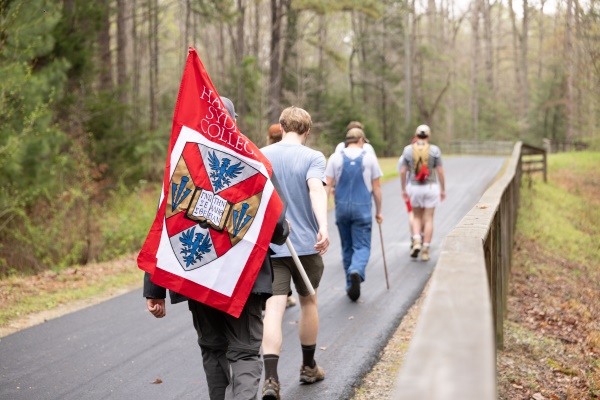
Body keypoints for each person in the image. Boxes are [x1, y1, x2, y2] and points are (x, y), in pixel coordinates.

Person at [144, 97, 290, 400]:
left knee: (213, 349)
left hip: (200, 277)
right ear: (233, 123)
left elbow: (164, 224)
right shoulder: (255, 164)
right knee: (246, 352)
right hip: (243, 281)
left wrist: (154, 289)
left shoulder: (185, 160)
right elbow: (277, 230)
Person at [260, 106, 330, 400]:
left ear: (281, 126)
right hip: (305, 246)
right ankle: (308, 366)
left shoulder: (261, 155)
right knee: (309, 302)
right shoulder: (313, 157)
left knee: (273, 310)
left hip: (272, 246)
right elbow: (316, 189)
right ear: (307, 130)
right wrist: (323, 226)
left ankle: (271, 380)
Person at [326, 128, 383, 301]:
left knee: (347, 246)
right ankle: (356, 270)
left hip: (341, 209)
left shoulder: (335, 157)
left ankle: (350, 285)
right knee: (362, 246)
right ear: (360, 140)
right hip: (362, 209)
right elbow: (377, 188)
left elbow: (327, 186)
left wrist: (323, 209)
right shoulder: (370, 157)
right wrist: (379, 211)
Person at [398, 124, 446, 262]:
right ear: (429, 136)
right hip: (431, 187)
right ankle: (425, 249)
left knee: (417, 216)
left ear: (416, 135)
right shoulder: (435, 150)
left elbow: (403, 171)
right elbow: (440, 171)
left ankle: (417, 240)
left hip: (414, 187)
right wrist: (442, 189)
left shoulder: (408, 150)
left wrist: (403, 189)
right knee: (429, 218)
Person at [266, 123, 298, 310]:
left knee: (273, 259)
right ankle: (284, 294)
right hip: (289, 214)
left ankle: (274, 294)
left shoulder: (262, 155)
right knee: (289, 257)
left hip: (271, 215)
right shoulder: (293, 154)